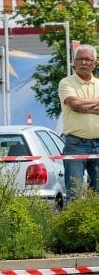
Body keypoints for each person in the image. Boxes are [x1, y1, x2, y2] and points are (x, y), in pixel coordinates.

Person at [58, 44, 99, 200]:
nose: (83, 63)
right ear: (74, 63)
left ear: (95, 63)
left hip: (98, 143)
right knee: (73, 192)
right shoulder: (66, 83)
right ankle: (73, 225)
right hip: (75, 144)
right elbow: (74, 104)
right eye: (79, 59)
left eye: (88, 59)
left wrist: (84, 107)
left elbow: (79, 105)